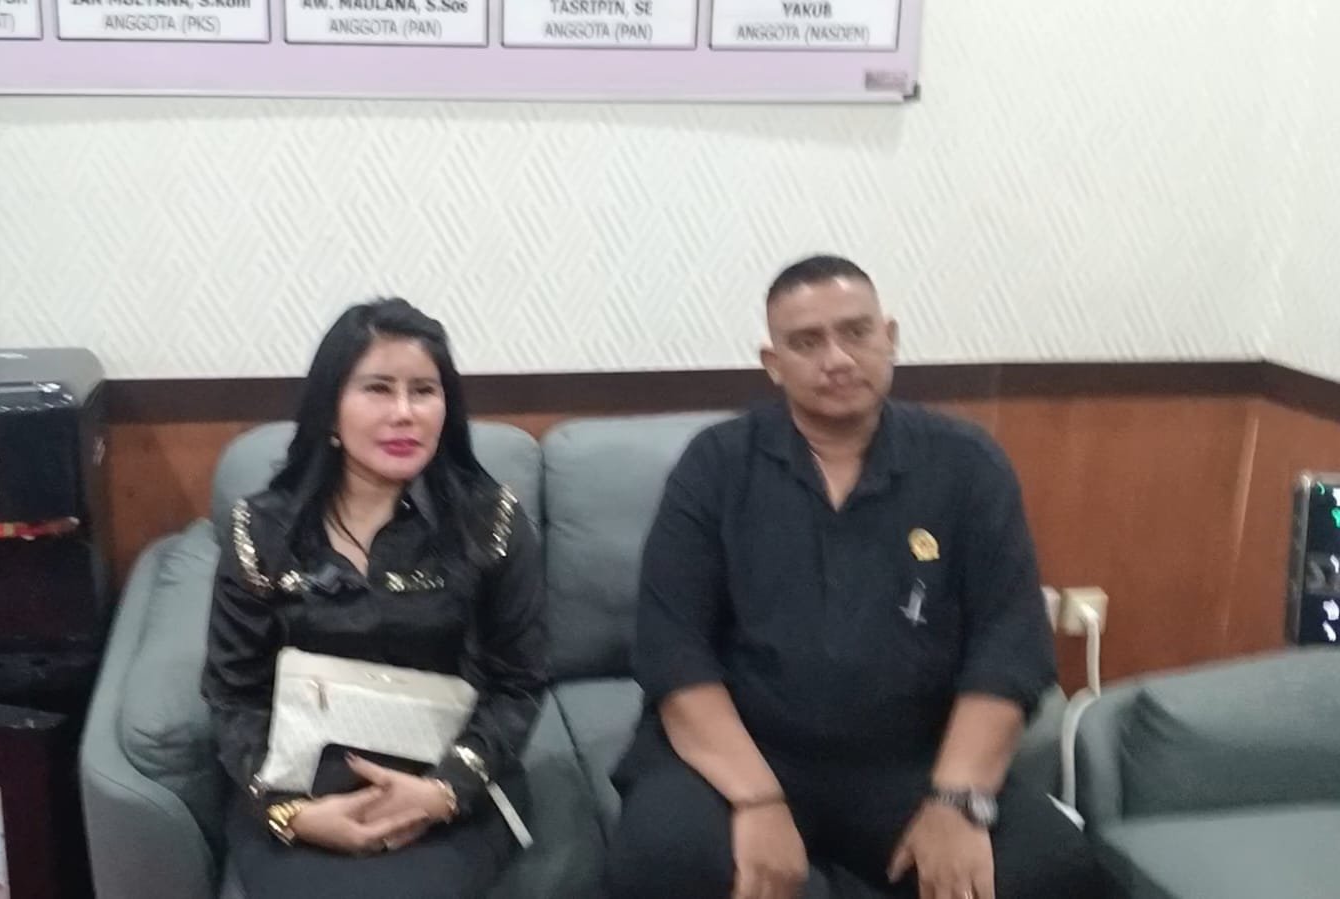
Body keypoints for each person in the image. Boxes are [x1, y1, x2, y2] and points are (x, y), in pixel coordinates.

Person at [607, 256, 1107, 899]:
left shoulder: (967, 466)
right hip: (744, 756)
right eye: (807, 343)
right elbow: (674, 654)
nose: (837, 359)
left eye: (856, 332)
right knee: (666, 860)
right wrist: (758, 800)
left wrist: (957, 802)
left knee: (1048, 871)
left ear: (889, 337)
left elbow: (1008, 651)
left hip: (914, 761)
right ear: (773, 363)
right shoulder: (717, 466)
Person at [201, 298, 547, 899]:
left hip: (449, 781)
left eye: (424, 391)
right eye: (378, 389)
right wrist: (292, 812)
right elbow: (234, 694)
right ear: (330, 410)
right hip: (300, 784)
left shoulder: (491, 522)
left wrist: (443, 792)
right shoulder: (260, 532)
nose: (404, 413)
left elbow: (518, 683)